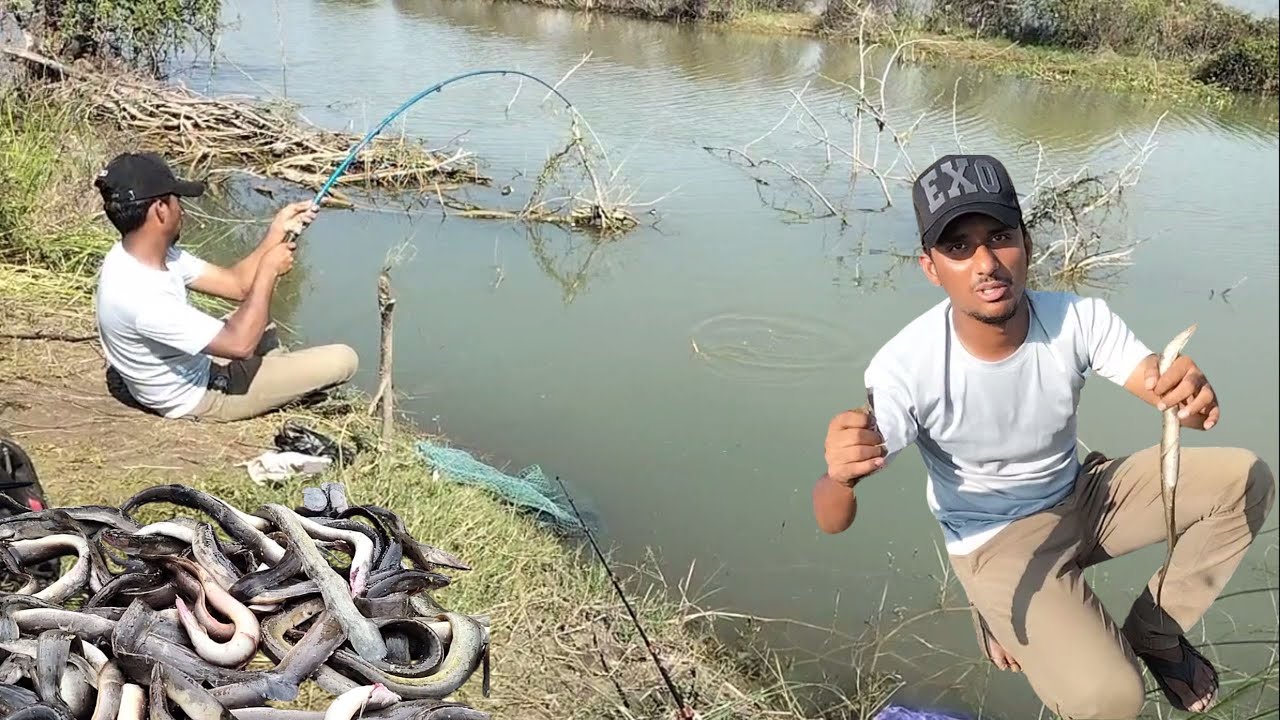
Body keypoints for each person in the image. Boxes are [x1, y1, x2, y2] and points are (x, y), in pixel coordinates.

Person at [813, 154, 1275, 718]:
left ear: (1026, 245)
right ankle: (996, 607)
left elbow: (1166, 391)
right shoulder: (905, 369)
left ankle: (1155, 630)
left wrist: (1191, 397)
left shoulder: (1078, 318)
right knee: (1113, 698)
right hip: (997, 540)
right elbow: (831, 519)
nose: (986, 263)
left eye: (999, 237)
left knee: (1245, 478)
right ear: (931, 268)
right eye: (958, 247)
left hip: (1083, 493)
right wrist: (840, 476)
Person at [92, 151, 359, 423]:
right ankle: (279, 381)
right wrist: (268, 271)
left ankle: (279, 377)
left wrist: (277, 231)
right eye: (177, 200)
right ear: (160, 209)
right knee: (344, 359)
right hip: (203, 395)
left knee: (261, 321)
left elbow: (237, 284)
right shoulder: (142, 298)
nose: (182, 211)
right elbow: (240, 346)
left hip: (194, 367)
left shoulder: (137, 253)